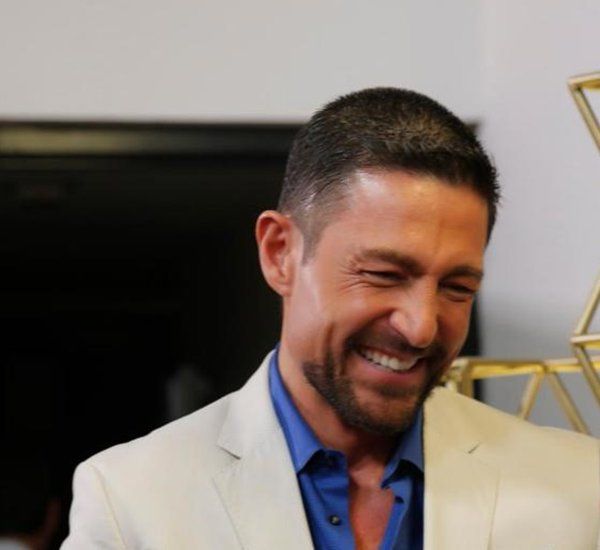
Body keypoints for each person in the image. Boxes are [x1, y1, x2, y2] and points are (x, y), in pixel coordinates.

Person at [61, 88, 599, 549]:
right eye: (384, 274)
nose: (421, 327)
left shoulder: (580, 489)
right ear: (279, 253)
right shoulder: (133, 499)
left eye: (457, 288)